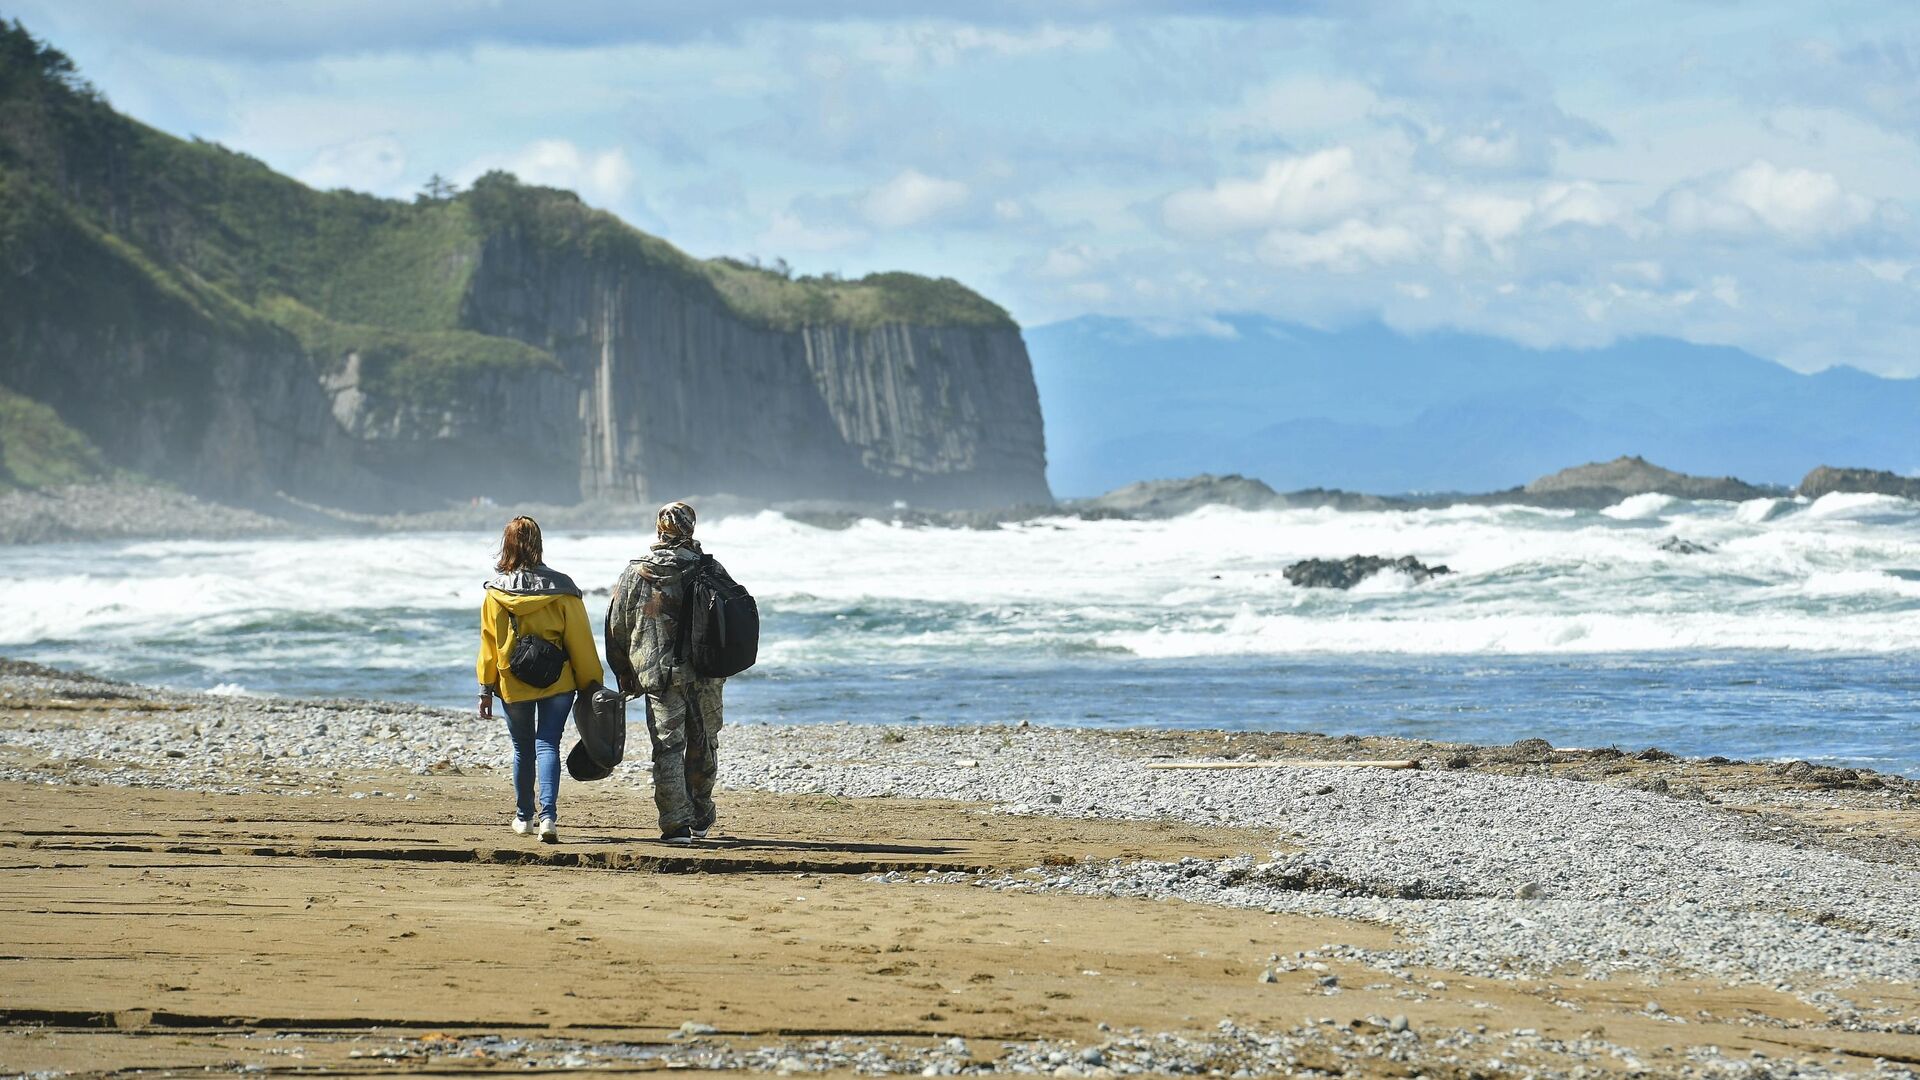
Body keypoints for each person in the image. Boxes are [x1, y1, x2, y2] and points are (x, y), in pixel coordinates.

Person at [476, 516, 604, 843]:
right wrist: (592, 683)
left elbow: (489, 645)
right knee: (547, 743)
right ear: (539, 543)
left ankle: (524, 817)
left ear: (508, 545)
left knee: (523, 748)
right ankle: (548, 817)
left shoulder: (495, 593)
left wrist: (485, 689)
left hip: (512, 683)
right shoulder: (564, 590)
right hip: (557, 682)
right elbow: (580, 641)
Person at [606, 501, 727, 845]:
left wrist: (623, 671)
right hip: (704, 673)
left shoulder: (635, 572)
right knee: (704, 742)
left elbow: (617, 624)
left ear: (660, 528)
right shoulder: (708, 568)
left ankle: (675, 825)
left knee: (668, 747)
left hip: (656, 674)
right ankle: (700, 815)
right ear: (691, 528)